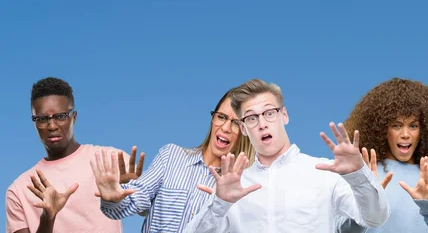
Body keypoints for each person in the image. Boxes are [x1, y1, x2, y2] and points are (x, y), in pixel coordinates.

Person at [183, 78, 390, 233]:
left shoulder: (325, 173)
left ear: (284, 115)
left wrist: (357, 175)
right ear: (244, 129)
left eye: (269, 113)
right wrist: (220, 203)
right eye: (252, 118)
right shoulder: (233, 187)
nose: (262, 123)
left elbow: (375, 219)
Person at [92, 88, 256, 232]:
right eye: (221, 117)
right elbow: (131, 204)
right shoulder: (171, 156)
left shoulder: (243, 187)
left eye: (235, 123)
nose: (225, 128)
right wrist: (112, 198)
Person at [6, 77, 144, 233]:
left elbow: (150, 211)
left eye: (60, 116)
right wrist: (48, 217)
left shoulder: (111, 160)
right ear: (34, 123)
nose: (52, 126)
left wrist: (133, 197)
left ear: (74, 117)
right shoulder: (19, 190)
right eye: (42, 119)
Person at [336, 78, 428, 232]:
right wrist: (368, 202)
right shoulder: (364, 171)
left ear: (425, 129)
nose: (405, 134)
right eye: (396, 126)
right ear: (382, 129)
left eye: (413, 126)